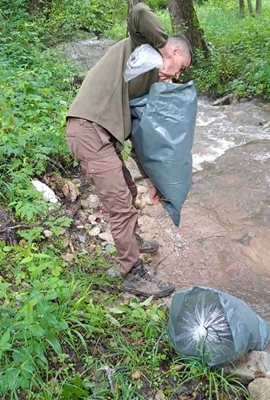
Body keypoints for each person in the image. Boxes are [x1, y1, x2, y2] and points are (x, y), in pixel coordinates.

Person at [66, 3, 192, 298]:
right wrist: (160, 47)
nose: (175, 76)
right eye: (180, 67)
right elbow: (138, 12)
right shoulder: (143, 49)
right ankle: (132, 273)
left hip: (104, 135)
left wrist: (152, 181)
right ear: (172, 53)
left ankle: (131, 240)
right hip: (87, 128)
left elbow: (141, 135)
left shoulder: (146, 80)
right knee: (120, 204)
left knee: (129, 190)